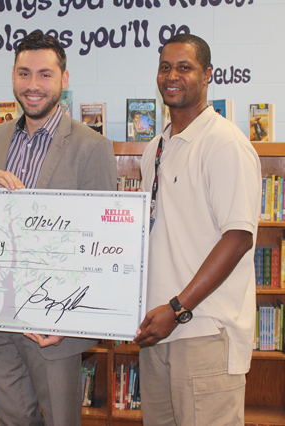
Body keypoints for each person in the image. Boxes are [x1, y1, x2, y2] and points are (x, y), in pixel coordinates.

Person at [0, 31, 116, 426]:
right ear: (13, 76)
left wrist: (72, 320)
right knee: (12, 419)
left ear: (64, 79)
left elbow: (103, 242)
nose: (33, 85)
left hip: (54, 323)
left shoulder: (92, 146)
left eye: (45, 74)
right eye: (24, 73)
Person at [133, 34, 261, 425]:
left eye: (184, 67)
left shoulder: (224, 142)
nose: (172, 76)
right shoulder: (154, 148)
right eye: (165, 67)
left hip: (203, 330)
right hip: (156, 331)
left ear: (207, 75)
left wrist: (177, 307)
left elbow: (237, 238)